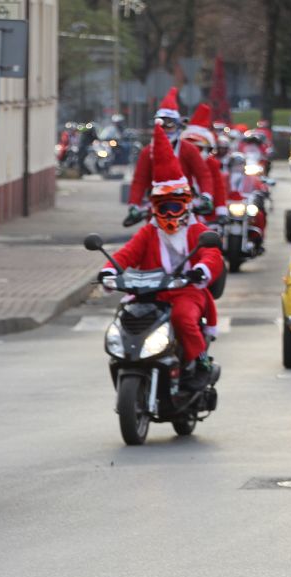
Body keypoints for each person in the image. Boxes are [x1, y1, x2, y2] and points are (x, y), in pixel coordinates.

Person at [99, 124, 223, 396]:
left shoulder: (197, 230)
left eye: (174, 206)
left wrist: (200, 271)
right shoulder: (149, 231)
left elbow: (212, 255)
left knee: (183, 318)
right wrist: (109, 271)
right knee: (126, 319)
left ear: (186, 205)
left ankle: (199, 363)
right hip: (150, 294)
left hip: (186, 292)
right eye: (162, 207)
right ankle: (129, 361)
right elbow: (126, 253)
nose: (168, 213)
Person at [127, 88, 213, 221]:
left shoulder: (188, 149)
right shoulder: (147, 152)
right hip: (156, 209)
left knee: (197, 233)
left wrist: (206, 196)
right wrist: (134, 205)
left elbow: (203, 175)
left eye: (169, 124)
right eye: (161, 124)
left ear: (178, 125)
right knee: (149, 234)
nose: (165, 129)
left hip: (185, 207)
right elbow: (139, 180)